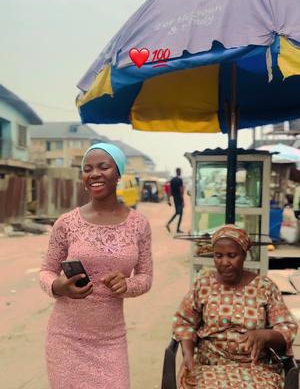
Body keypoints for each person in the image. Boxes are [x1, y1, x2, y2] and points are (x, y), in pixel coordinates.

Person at [39, 142, 153, 389]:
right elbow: (46, 271)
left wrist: (128, 285)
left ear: (119, 173)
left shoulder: (139, 224)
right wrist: (58, 286)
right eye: (88, 168)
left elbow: (145, 276)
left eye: (104, 167)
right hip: (66, 338)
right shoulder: (66, 223)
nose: (94, 174)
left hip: (111, 339)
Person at [173, 225, 297, 389]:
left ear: (244, 255)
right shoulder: (203, 284)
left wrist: (266, 335)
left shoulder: (264, 287)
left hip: (256, 369)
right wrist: (187, 355)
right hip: (210, 366)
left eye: (232, 255)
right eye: (218, 256)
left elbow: (287, 328)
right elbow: (184, 322)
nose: (224, 262)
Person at [166, 167, 184, 234]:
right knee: (179, 213)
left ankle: (177, 228)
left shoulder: (172, 180)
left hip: (175, 198)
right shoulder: (180, 180)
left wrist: (168, 200)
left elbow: (170, 190)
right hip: (179, 198)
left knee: (179, 213)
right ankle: (170, 225)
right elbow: (181, 190)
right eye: (180, 171)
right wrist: (183, 201)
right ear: (179, 172)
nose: (180, 172)